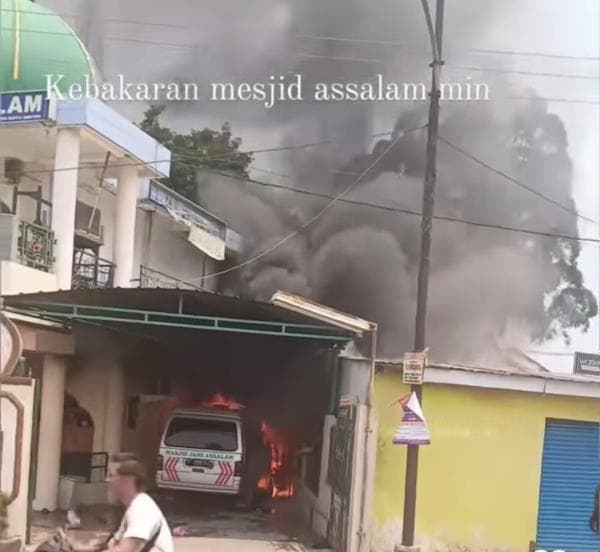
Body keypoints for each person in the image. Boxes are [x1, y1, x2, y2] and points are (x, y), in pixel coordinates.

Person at [103, 455, 173, 552]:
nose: (108, 480)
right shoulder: (134, 506)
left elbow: (125, 550)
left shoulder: (142, 509)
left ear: (128, 479)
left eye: (111, 475)